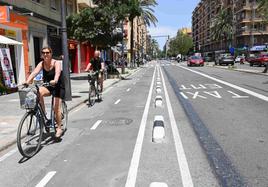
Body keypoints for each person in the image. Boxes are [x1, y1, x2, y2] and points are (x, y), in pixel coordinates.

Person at [24, 47, 65, 138]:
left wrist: (55, 80)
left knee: (56, 107)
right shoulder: (41, 63)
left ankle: (59, 128)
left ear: (51, 53)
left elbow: (58, 73)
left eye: (47, 52)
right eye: (43, 53)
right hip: (48, 86)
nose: (45, 54)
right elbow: (34, 72)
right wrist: (28, 81)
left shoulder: (56, 62)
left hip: (58, 86)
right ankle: (44, 113)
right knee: (38, 92)